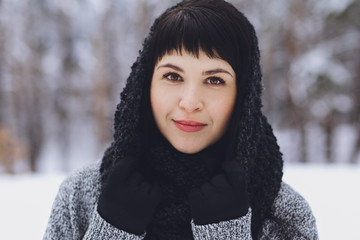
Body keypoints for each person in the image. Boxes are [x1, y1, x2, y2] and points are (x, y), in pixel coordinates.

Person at [43, 0, 318, 239]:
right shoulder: (79, 197)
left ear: (244, 96)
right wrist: (112, 231)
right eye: (173, 76)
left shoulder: (285, 216)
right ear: (144, 85)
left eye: (214, 80)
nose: (189, 103)